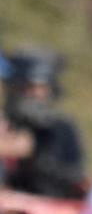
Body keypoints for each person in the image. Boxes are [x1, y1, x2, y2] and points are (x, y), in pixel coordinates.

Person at [2, 49, 86, 199]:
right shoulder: (5, 124)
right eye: (29, 87)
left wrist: (37, 158)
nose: (36, 94)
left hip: (49, 210)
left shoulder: (62, 128)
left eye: (41, 88)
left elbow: (76, 177)